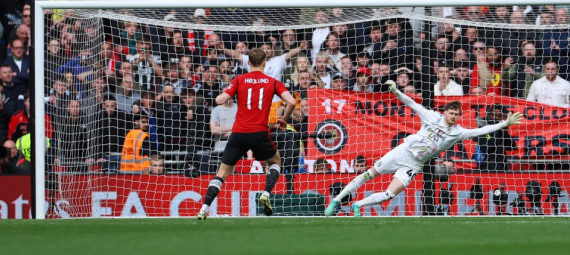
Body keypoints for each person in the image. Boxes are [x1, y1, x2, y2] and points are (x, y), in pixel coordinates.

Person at [324, 80, 523, 216]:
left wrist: (504, 124)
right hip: (403, 151)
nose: (453, 116)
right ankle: (337, 200)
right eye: (451, 113)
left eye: (456, 114)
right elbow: (411, 103)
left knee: (390, 194)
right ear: (445, 112)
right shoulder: (431, 116)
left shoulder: (459, 132)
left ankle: (358, 204)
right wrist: (395, 91)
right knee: (369, 174)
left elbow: (481, 131)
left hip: (415, 163)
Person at [197, 47, 297, 219]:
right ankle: (266, 193)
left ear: (248, 63)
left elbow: (219, 100)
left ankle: (204, 208)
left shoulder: (239, 79)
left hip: (238, 133)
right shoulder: (272, 82)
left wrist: (229, 92)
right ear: (265, 63)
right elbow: (292, 101)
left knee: (222, 172)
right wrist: (284, 119)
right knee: (275, 162)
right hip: (259, 132)